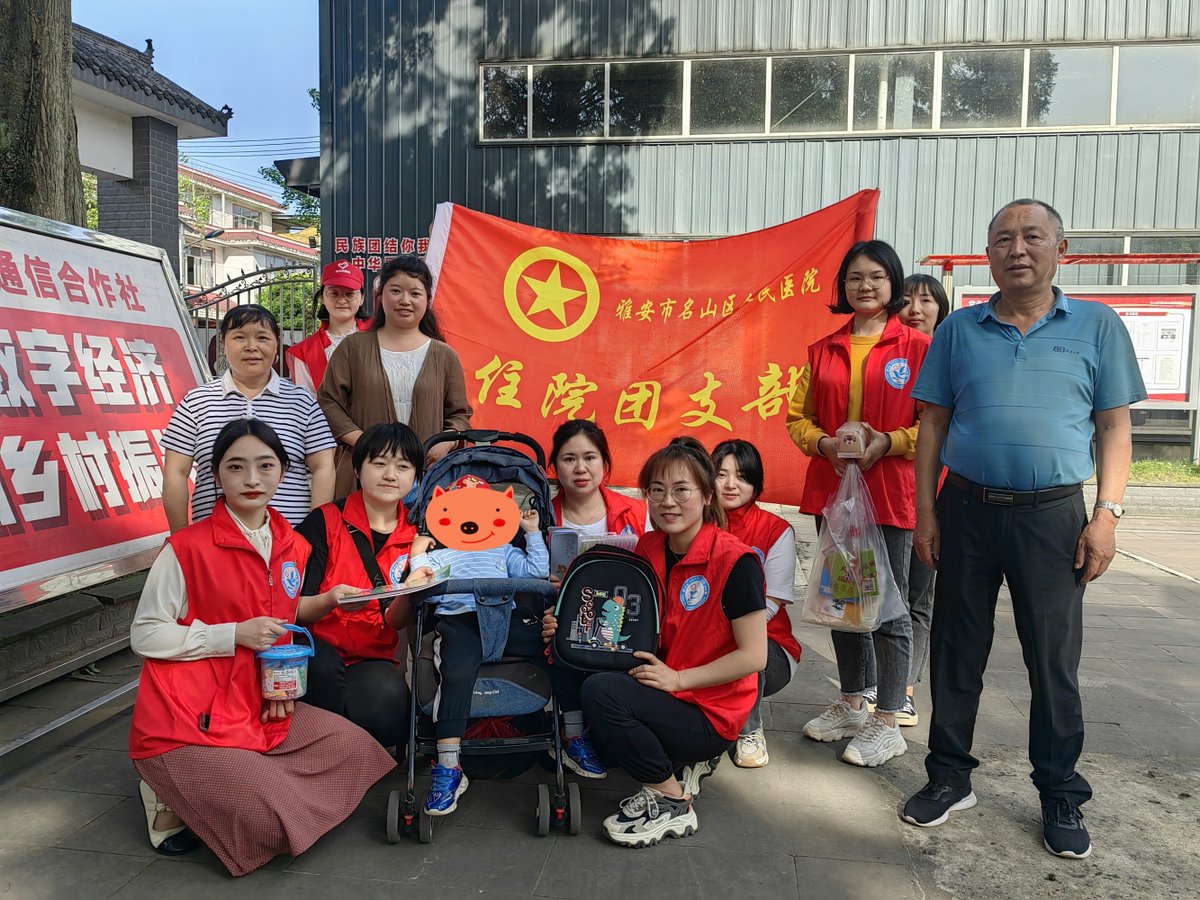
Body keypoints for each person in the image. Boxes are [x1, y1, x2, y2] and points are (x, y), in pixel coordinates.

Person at [900, 200, 1145, 860]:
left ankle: (1061, 791)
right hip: (967, 511)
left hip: (1054, 516)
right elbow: (933, 425)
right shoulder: (960, 332)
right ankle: (949, 776)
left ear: (1059, 248)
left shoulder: (1096, 326)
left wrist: (1107, 515)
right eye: (1003, 239)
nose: (1017, 249)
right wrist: (925, 513)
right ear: (987, 256)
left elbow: (1114, 426)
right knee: (956, 652)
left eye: (1032, 236)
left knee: (1052, 660)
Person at [128, 418, 395, 877]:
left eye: (265, 466)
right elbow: (146, 634)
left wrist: (282, 686)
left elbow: (279, 619)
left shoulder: (292, 545)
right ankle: (166, 790)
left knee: (358, 751)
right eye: (236, 467)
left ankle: (229, 785)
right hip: (187, 715)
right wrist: (230, 634)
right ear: (216, 477)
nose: (252, 479)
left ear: (283, 471)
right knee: (268, 822)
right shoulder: (186, 547)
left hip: (257, 702)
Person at [554, 439, 767, 848]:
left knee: (602, 694)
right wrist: (566, 626)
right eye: (656, 490)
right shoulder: (648, 547)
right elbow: (619, 620)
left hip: (709, 711)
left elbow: (754, 656)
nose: (668, 502)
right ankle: (676, 764)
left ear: (707, 496)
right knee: (579, 673)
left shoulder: (735, 562)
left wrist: (679, 680)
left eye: (681, 490)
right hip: (663, 686)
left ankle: (671, 798)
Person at [785, 239, 929, 768]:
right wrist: (823, 445)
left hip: (889, 495)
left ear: (893, 284)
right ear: (842, 288)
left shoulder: (917, 348)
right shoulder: (822, 349)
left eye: (875, 277)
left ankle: (887, 719)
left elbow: (931, 423)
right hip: (836, 496)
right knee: (845, 602)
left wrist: (885, 444)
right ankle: (852, 701)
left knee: (890, 607)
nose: (864, 286)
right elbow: (797, 419)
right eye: (854, 278)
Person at [856, 273, 952, 725]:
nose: (916, 308)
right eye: (908, 300)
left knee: (914, 596)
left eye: (927, 300)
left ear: (941, 308)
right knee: (862, 595)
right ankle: (874, 687)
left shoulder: (938, 352)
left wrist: (891, 441)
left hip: (924, 492)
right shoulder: (885, 355)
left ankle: (904, 689)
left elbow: (937, 426)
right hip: (879, 491)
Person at [294, 422, 426, 749]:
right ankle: (328, 747)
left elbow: (395, 621)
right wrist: (330, 600)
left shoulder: (418, 536)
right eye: (379, 463)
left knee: (392, 713)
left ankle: (341, 744)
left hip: (371, 657)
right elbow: (292, 606)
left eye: (403, 466)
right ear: (357, 467)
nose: (390, 474)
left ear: (415, 476)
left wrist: (414, 586)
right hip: (316, 647)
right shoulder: (323, 521)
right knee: (319, 667)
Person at [162, 304, 336, 532]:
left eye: (263, 338)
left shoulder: (300, 401)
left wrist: (314, 534)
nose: (251, 347)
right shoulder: (196, 402)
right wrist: (181, 538)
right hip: (213, 543)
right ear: (223, 342)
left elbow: (323, 466)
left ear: (276, 344)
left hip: (289, 542)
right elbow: (176, 472)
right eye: (240, 337)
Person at [319, 254, 472, 498]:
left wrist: (446, 441)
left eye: (415, 293)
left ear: (427, 300)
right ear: (381, 296)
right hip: (364, 475)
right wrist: (365, 442)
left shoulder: (444, 355)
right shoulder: (353, 347)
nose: (405, 300)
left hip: (428, 479)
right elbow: (328, 401)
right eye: (396, 291)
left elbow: (460, 415)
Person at [711, 439, 800, 768]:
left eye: (742, 476)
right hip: (702, 640)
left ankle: (750, 730)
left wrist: (720, 633)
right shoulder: (694, 525)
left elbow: (772, 604)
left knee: (747, 646)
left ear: (756, 482)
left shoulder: (776, 530)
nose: (731, 484)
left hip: (770, 648)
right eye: (721, 475)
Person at [549, 420, 649, 537]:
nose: (581, 469)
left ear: (604, 462)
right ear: (555, 465)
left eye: (589, 458)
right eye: (569, 459)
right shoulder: (541, 519)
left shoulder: (638, 513)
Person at [284, 260, 370, 393]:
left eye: (350, 294)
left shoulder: (381, 335)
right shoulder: (305, 352)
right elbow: (307, 403)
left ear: (362, 298)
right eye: (334, 293)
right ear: (322, 298)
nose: (342, 300)